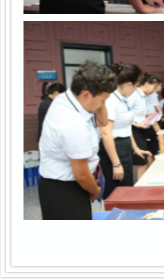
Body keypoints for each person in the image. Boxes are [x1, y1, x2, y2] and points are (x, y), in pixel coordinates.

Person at [38, 62, 115, 219]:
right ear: (86, 94)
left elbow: (102, 122)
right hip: (65, 190)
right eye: (103, 100)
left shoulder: (68, 97)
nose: (103, 104)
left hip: (69, 184)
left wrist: (101, 99)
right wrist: (95, 191)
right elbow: (81, 174)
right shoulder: (72, 123)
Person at [98, 63, 152, 200]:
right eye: (136, 86)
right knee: (115, 195)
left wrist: (136, 149)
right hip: (113, 150)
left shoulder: (124, 99)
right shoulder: (111, 100)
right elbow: (105, 133)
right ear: (129, 84)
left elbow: (126, 128)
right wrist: (116, 164)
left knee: (126, 192)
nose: (136, 89)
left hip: (124, 148)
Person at [128, 73, 162, 180]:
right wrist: (138, 124)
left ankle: (141, 185)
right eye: (154, 87)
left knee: (144, 161)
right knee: (142, 162)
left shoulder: (144, 96)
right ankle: (140, 187)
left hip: (141, 129)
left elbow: (139, 114)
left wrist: (149, 116)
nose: (154, 90)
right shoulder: (134, 95)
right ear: (147, 84)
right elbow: (125, 116)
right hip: (134, 130)